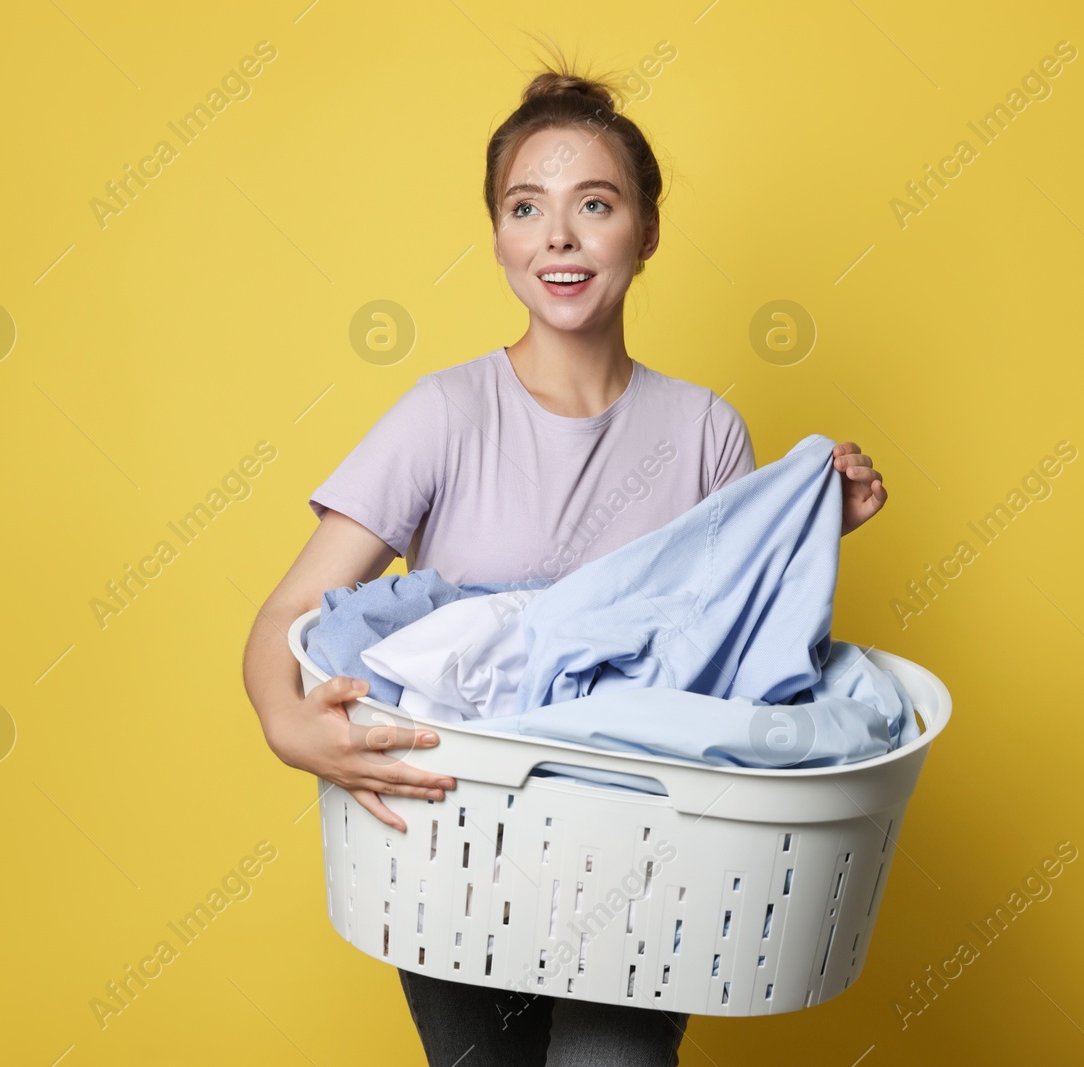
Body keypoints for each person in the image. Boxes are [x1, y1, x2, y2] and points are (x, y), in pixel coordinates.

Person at [240, 49, 888, 1067]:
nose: (559, 237)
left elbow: (728, 649)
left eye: (595, 204)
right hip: (460, 847)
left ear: (647, 229)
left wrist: (805, 527)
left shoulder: (706, 429)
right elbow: (289, 614)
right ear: (497, 233)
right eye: (525, 207)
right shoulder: (445, 414)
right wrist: (291, 729)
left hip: (644, 852)